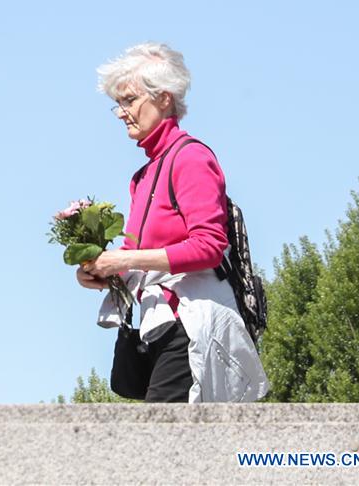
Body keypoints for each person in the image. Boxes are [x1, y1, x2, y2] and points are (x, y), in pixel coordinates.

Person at [77, 42, 268, 403]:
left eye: (129, 100)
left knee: (158, 433)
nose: (121, 113)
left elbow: (209, 247)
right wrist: (100, 273)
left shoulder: (191, 158)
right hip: (157, 327)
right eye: (118, 103)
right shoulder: (142, 177)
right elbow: (135, 256)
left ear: (164, 98)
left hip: (191, 324)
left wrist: (124, 259)